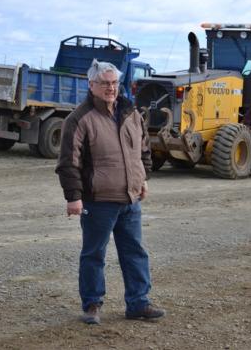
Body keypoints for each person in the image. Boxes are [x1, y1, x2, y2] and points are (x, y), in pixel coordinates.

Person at [56, 59, 165, 325]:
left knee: (136, 253)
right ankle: (92, 305)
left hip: (130, 200)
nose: (111, 88)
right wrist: (74, 197)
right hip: (98, 202)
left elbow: (143, 149)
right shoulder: (79, 118)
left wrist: (143, 179)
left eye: (114, 83)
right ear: (91, 85)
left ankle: (138, 304)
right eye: (105, 83)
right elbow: (69, 161)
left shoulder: (131, 113)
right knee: (94, 254)